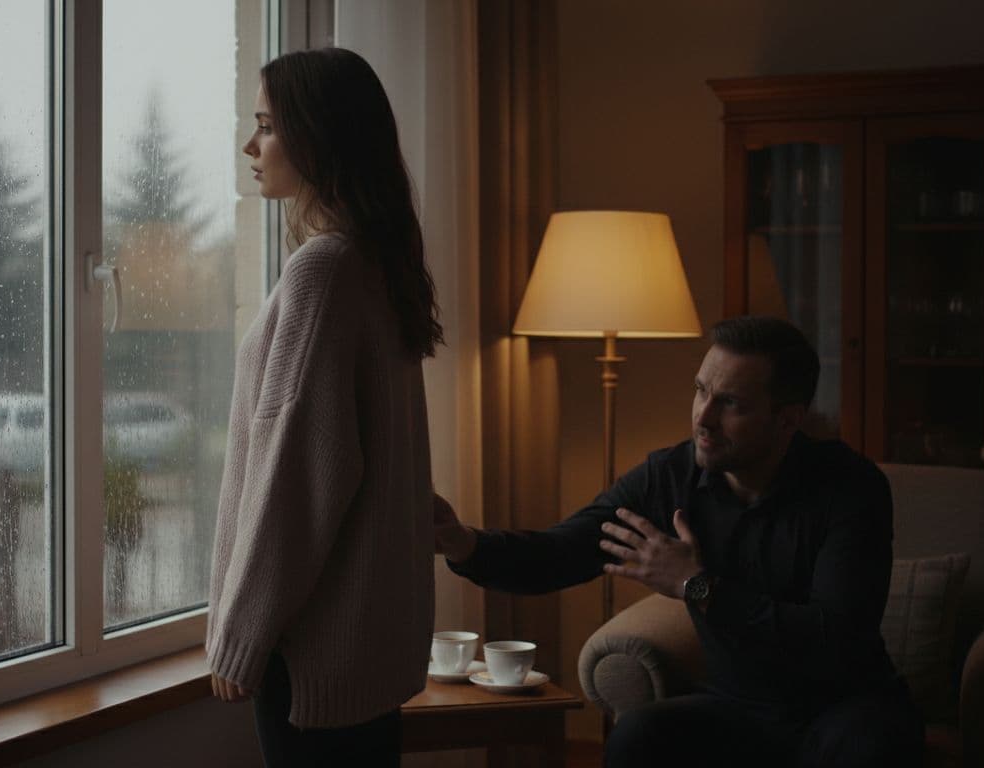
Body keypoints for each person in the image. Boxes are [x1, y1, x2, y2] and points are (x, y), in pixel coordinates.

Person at [434, 316, 924, 767]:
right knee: (637, 737)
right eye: (701, 391)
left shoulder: (851, 488)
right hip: (738, 706)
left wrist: (698, 586)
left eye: (730, 403)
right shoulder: (669, 477)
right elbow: (559, 554)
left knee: (868, 749)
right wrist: (462, 543)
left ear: (787, 420)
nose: (703, 419)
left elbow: (832, 639)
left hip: (843, 705)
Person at [207, 47, 442, 767]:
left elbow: (301, 473)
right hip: (364, 645)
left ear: (319, 136)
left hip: (310, 645)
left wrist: (243, 631)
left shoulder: (324, 269)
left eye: (268, 126)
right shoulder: (375, 260)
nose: (251, 146)